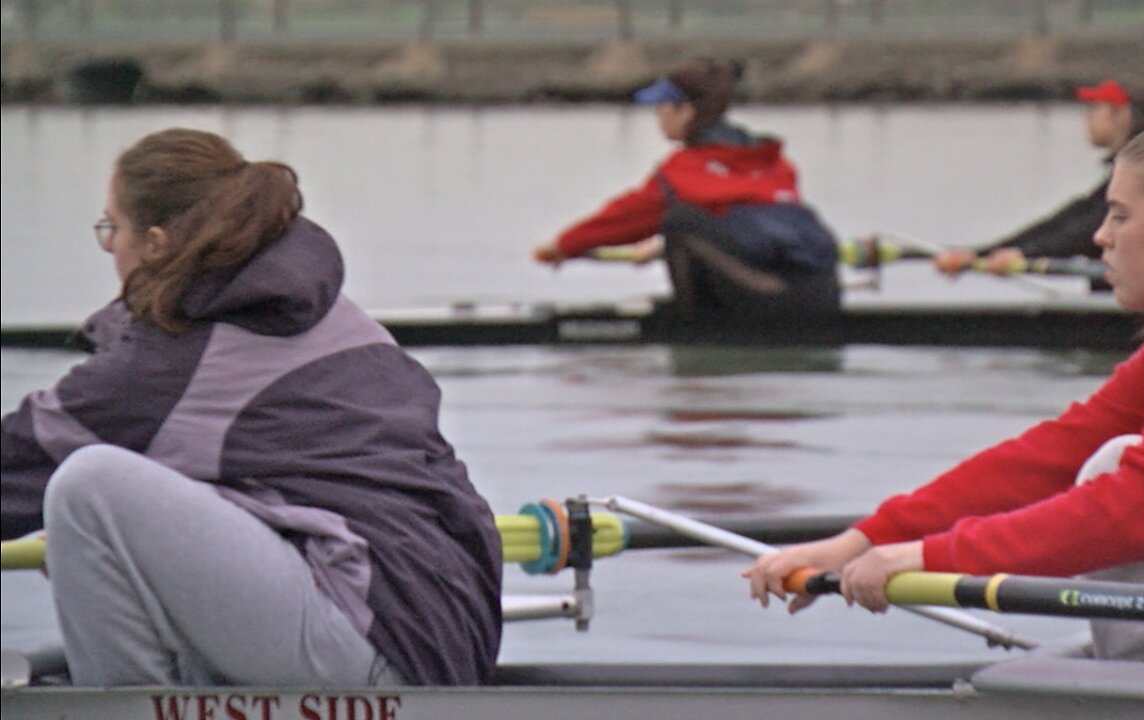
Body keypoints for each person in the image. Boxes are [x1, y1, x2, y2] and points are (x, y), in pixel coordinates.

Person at [745, 95, 1144, 669]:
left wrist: (932, 557)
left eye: (1120, 216)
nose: (1101, 237)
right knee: (1102, 459)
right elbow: (1051, 454)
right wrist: (865, 540)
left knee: (1116, 468)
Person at [0, 128, 503, 686]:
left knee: (87, 487)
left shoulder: (175, 359)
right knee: (100, 520)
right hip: (443, 638)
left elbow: (13, 467)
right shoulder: (330, 314)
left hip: (375, 647)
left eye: (110, 229)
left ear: (158, 243)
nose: (109, 246)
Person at [531, 58, 841, 318]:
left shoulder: (684, 169)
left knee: (679, 221)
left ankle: (693, 320)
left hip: (771, 297)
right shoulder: (773, 161)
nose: (657, 116)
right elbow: (746, 227)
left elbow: (628, 217)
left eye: (661, 107)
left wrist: (563, 246)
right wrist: (663, 248)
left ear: (686, 112)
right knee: (684, 228)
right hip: (824, 293)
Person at [933, 76, 1144, 288]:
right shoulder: (1143, 170)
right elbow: (1072, 220)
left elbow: (1086, 230)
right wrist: (983, 254)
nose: (1087, 117)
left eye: (1095, 108)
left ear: (1123, 115)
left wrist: (1021, 255)